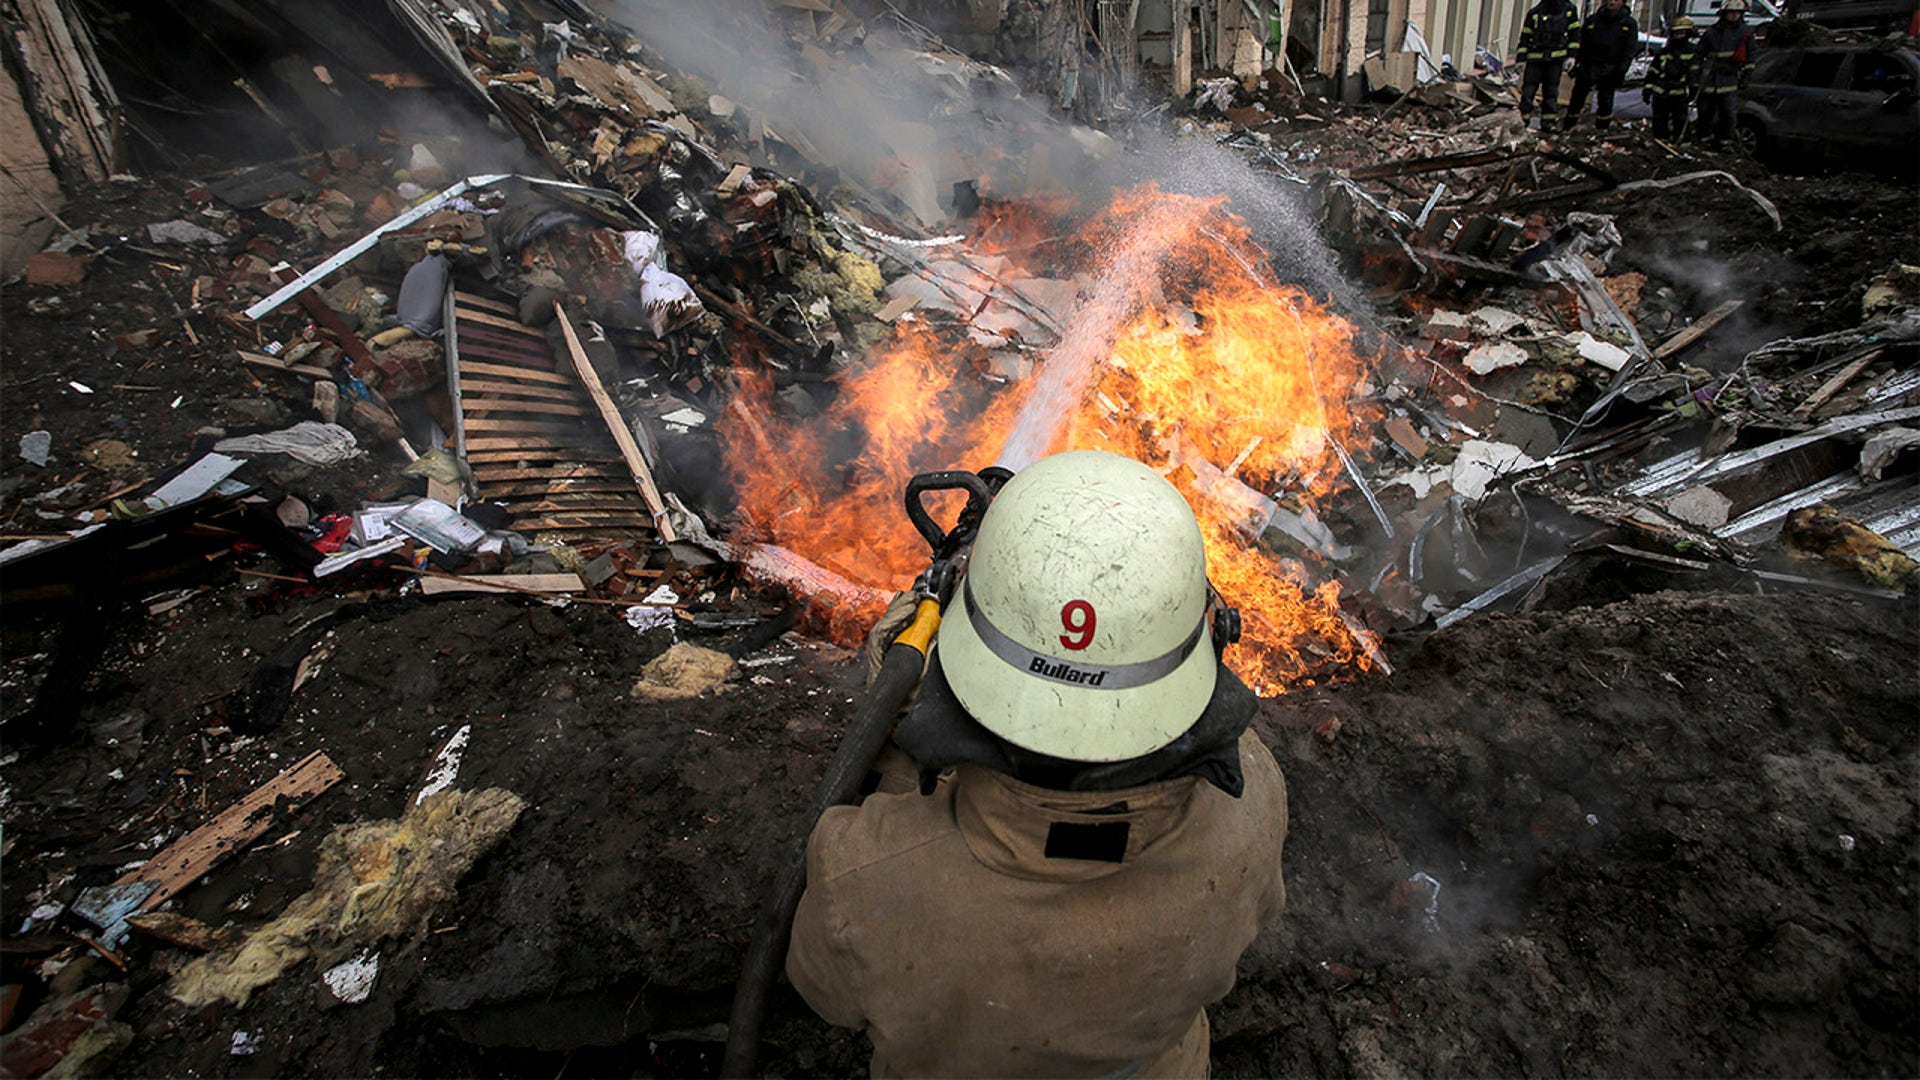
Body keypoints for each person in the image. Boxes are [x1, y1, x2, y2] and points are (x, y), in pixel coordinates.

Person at [786, 449, 1289, 1077]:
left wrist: (896, 724)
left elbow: (823, 995)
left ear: (961, 658)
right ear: (1211, 633)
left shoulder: (860, 874)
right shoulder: (1252, 806)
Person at [1564, 0, 1641, 131]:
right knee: (1576, 99)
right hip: (1588, 66)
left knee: (1605, 102)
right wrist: (1575, 62)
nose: (1612, 2)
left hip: (1610, 68)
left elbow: (1629, 50)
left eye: (1616, 0)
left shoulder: (1628, 24)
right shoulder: (1593, 20)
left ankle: (1601, 130)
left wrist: (1621, 70)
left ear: (1623, 3)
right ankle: (1568, 126)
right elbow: (1581, 43)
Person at [1695, 0, 1759, 149]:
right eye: (1731, 12)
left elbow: (1751, 56)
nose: (1734, 15)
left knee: (1728, 114)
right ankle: (1704, 140)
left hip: (1730, 79)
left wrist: (1747, 75)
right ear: (1724, 14)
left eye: (1738, 13)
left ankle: (1725, 143)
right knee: (1705, 112)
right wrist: (1695, 76)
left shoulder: (1746, 33)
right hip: (1710, 78)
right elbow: (1698, 54)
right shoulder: (1712, 32)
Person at [1516, 0, 1581, 130]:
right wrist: (1521, 59)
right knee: (1528, 91)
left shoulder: (1569, 11)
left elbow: (1575, 36)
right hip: (1535, 59)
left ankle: (1548, 122)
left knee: (1551, 91)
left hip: (1555, 59)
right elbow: (1525, 37)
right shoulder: (1535, 12)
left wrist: (1572, 56)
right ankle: (1524, 120)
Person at [1643, 15, 1700, 141]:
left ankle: (1681, 145)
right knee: (1659, 120)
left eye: (1682, 33)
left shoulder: (1692, 52)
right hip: (1660, 93)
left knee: (1680, 121)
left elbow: (1694, 73)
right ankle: (1660, 144)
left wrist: (1693, 87)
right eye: (1677, 33)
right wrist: (1647, 89)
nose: (1679, 36)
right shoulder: (1664, 52)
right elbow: (1653, 71)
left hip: (1679, 94)